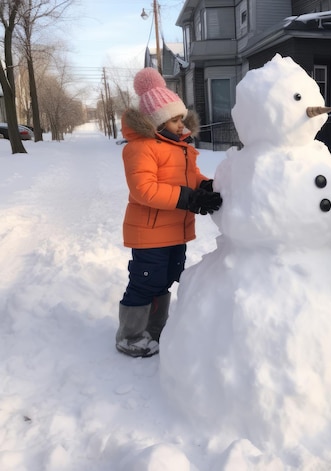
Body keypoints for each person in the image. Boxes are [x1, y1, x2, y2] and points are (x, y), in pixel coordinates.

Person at [116, 67, 222, 358]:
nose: (180, 124)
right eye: (174, 119)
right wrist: (190, 199)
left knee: (164, 279)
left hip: (175, 229)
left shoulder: (179, 148)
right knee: (145, 281)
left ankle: (155, 329)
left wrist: (207, 186)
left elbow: (190, 177)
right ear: (157, 121)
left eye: (181, 118)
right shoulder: (141, 148)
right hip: (150, 233)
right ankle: (130, 335)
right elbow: (144, 189)